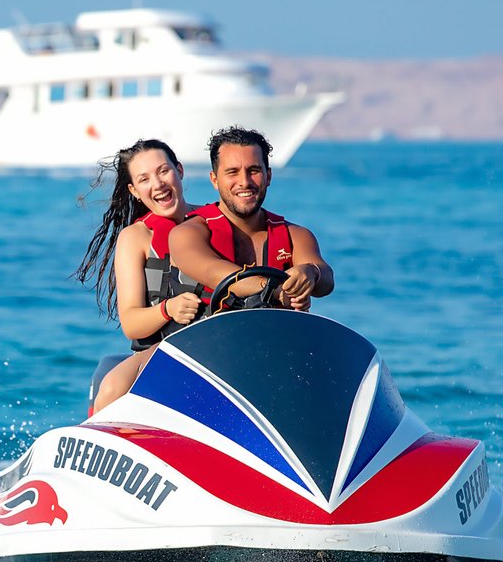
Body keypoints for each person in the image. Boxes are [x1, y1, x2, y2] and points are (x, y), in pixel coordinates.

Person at [74, 139, 211, 412]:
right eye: (144, 179)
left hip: (215, 346)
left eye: (163, 171)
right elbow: (132, 324)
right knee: (112, 388)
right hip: (160, 352)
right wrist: (168, 309)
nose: (158, 184)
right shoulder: (135, 238)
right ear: (134, 191)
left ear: (180, 171)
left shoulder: (215, 222)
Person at [168, 126, 333, 315]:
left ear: (268, 176)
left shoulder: (295, 236)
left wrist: (311, 272)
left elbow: (326, 282)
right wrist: (276, 291)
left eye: (253, 170)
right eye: (232, 172)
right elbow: (214, 273)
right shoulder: (187, 233)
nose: (244, 182)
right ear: (214, 180)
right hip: (208, 332)